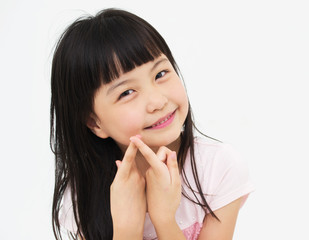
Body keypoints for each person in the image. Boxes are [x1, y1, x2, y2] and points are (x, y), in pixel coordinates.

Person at [50, 8, 255, 240]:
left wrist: (165, 219)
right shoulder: (82, 196)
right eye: (127, 92)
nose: (157, 102)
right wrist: (127, 229)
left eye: (160, 74)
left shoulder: (217, 168)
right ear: (94, 122)